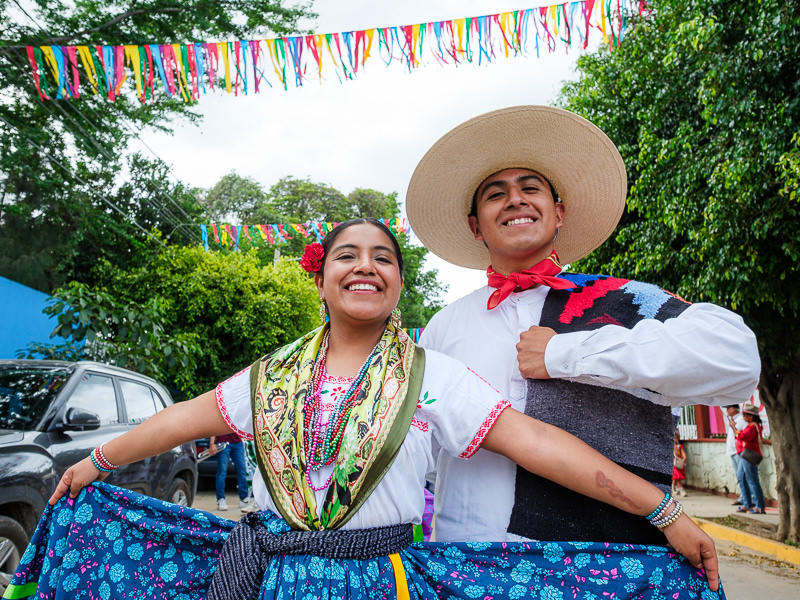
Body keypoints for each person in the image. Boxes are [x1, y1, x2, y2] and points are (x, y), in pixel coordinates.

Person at [6, 219, 722, 600]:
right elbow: (183, 417)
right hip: (272, 579)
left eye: (383, 258)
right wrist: (96, 462)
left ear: (396, 287)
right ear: (323, 281)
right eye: (347, 255)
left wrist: (663, 512)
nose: (365, 266)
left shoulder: (432, 376)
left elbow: (537, 442)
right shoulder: (271, 378)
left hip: (381, 581)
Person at [406, 105, 761, 544]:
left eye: (530, 188)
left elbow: (737, 358)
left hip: (604, 557)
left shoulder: (622, 298)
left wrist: (567, 354)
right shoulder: (444, 326)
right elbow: (420, 446)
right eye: (495, 194)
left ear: (559, 212)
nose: (515, 199)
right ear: (476, 226)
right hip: (467, 557)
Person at [734, 403, 766, 514]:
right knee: (742, 478)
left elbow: (743, 436)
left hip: (749, 455)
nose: (743, 417)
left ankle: (759, 506)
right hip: (745, 455)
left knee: (752, 480)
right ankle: (747, 505)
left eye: (745, 415)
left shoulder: (753, 427)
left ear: (751, 416)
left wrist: (735, 429)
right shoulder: (751, 426)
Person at [209, 431, 253, 512]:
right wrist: (212, 443)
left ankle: (244, 498)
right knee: (222, 472)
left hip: (238, 442)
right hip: (223, 441)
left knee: (242, 471)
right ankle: (221, 499)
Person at [726, 404, 747, 506]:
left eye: (728, 409)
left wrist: (733, 426)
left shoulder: (741, 420)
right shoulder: (732, 420)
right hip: (733, 451)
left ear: (733, 409)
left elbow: (740, 435)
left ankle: (746, 498)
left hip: (739, 451)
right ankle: (743, 497)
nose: (726, 411)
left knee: (742, 476)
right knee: (739, 476)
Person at [672, 430, 687, 497]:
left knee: (677, 476)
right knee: (676, 475)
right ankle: (681, 489)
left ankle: (674, 487)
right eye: (674, 438)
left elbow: (683, 454)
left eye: (676, 438)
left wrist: (684, 459)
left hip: (679, 462)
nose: (675, 439)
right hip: (673, 462)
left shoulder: (679, 446)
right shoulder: (670, 447)